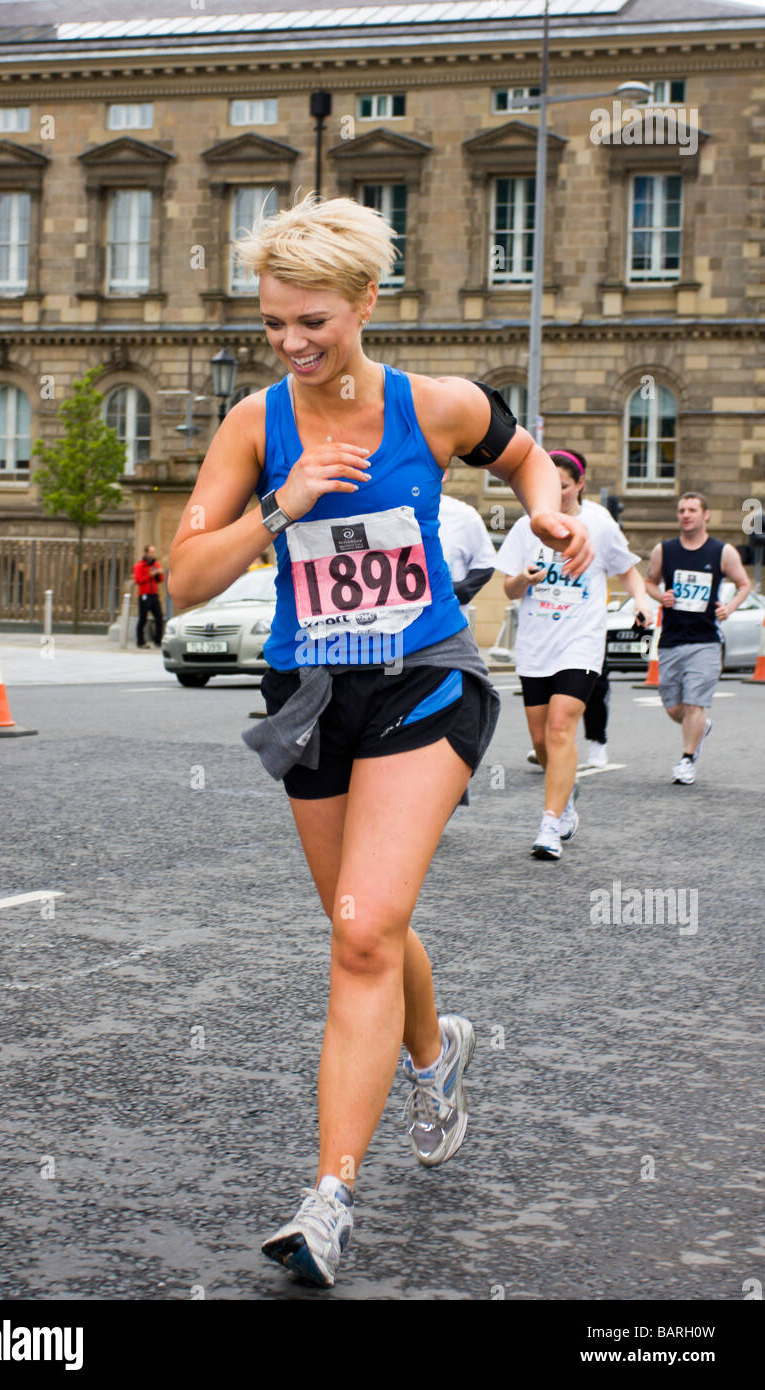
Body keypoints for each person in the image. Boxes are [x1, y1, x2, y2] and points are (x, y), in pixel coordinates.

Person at [167, 194, 592, 1290]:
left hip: (422, 684)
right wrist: (278, 507)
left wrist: (546, 512)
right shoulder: (256, 424)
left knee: (359, 934)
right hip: (311, 693)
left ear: (365, 300)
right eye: (272, 324)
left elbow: (524, 457)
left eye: (312, 321)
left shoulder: (436, 405)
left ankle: (328, 1200)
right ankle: (431, 1048)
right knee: (363, 919)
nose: (293, 344)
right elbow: (183, 579)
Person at [495, 449, 652, 859]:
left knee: (561, 727)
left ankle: (550, 824)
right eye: (550, 486)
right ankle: (566, 789)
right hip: (535, 645)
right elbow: (508, 589)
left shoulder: (599, 523)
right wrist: (524, 580)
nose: (557, 494)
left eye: (563, 486)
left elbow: (628, 570)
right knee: (541, 739)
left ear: (579, 484)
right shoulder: (529, 526)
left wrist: (640, 601)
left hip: (580, 643)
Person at [644, 492, 751, 784]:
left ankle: (687, 760)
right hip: (671, 641)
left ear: (706, 515)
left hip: (705, 640)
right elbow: (648, 581)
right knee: (674, 707)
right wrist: (660, 595)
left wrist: (730, 606)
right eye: (681, 510)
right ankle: (700, 726)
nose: (686, 515)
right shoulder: (664, 550)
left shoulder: (721, 551)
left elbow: (744, 583)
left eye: (692, 510)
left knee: (694, 704)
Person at [437, 471, 497, 630]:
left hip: (449, 627)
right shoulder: (386, 512)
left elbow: (486, 563)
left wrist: (460, 591)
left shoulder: (464, 515)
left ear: (444, 474)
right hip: (398, 634)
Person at [133, 544, 164, 647]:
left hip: (154, 595)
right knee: (143, 619)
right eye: (151, 552)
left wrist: (159, 573)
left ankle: (158, 641)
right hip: (144, 595)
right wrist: (149, 576)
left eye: (154, 552)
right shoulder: (139, 566)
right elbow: (138, 580)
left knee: (159, 618)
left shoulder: (156, 565)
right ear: (146, 553)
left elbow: (161, 579)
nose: (153, 554)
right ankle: (140, 642)